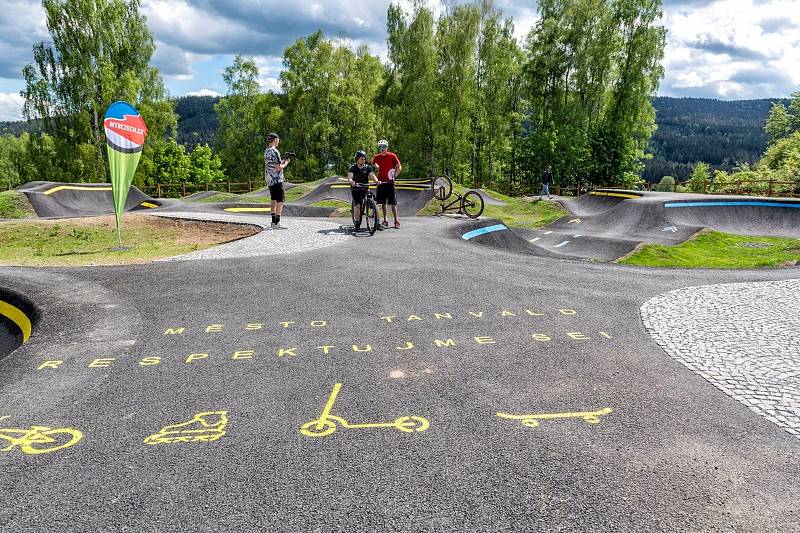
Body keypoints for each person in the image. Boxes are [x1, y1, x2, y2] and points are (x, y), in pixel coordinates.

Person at [371, 139, 402, 228]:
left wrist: (395, 175)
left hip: (390, 183)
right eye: (380, 147)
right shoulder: (377, 156)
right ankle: (385, 220)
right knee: (383, 203)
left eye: (384, 147)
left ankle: (396, 221)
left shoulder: (392, 156)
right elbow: (373, 162)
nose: (382, 148)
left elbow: (398, 166)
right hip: (381, 183)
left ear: (387, 147)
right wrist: (377, 166)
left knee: (393, 203)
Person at [264, 132, 291, 229]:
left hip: (269, 179)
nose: (279, 141)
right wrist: (286, 163)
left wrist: (282, 161)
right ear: (275, 139)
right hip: (277, 179)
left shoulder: (266, 151)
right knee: (280, 200)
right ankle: (277, 223)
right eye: (278, 139)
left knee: (273, 199)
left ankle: (273, 222)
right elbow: (279, 167)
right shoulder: (275, 151)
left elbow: (274, 165)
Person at [348, 150, 378, 231]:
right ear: (357, 159)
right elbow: (350, 177)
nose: (363, 160)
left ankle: (374, 216)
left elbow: (372, 175)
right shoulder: (352, 167)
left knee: (373, 201)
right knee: (358, 206)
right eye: (361, 159)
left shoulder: (368, 167)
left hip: (365, 187)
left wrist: (376, 181)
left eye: (364, 159)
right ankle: (357, 223)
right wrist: (351, 181)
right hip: (356, 189)